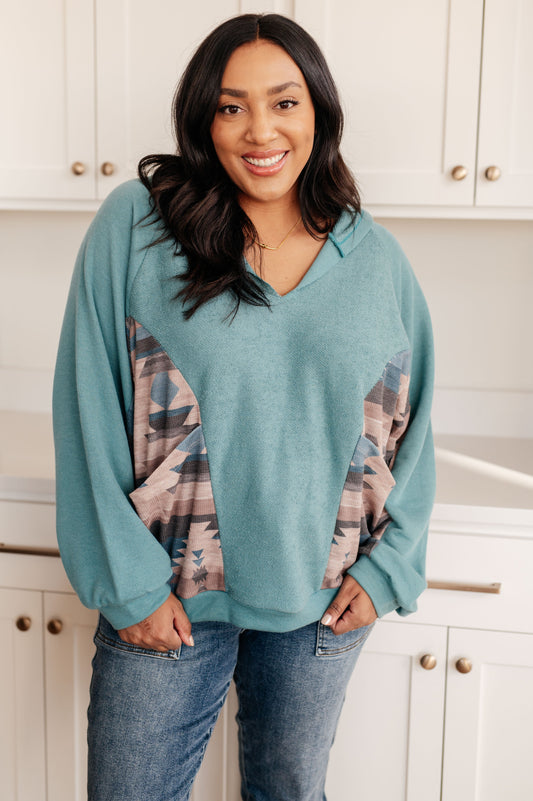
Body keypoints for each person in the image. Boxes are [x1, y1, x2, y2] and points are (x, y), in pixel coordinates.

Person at [53, 12, 435, 801]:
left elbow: (413, 424)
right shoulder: (137, 227)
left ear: (318, 112)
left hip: (324, 601)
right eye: (231, 107)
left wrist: (389, 568)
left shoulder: (375, 258)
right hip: (167, 594)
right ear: (203, 120)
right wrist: (128, 585)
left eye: (284, 102)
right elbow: (86, 408)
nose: (260, 130)